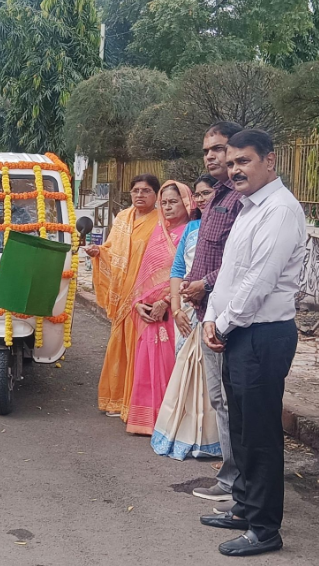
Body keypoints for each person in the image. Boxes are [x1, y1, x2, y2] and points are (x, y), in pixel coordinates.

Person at [200, 130, 306, 557]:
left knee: (260, 434)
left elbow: (259, 281)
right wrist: (212, 317)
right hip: (237, 331)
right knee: (241, 427)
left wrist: (222, 324)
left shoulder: (280, 211)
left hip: (262, 334)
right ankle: (244, 506)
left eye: (244, 161)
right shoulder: (248, 208)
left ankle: (265, 529)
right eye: (231, 163)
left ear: (270, 161)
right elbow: (229, 272)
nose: (235, 169)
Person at [180, 122, 244, 503]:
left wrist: (205, 283)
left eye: (218, 149)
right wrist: (192, 284)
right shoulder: (217, 196)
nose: (211, 157)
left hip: (230, 314)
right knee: (220, 399)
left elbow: (241, 261)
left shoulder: (240, 198)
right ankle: (232, 475)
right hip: (207, 311)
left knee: (229, 400)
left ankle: (236, 480)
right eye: (207, 151)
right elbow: (205, 249)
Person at [152, 174, 222, 460]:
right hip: (188, 311)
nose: (203, 199)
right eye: (199, 194)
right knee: (186, 373)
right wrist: (178, 309)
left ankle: (214, 439)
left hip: (215, 307)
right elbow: (178, 269)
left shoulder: (230, 228)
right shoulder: (192, 228)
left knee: (210, 379)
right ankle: (183, 435)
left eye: (207, 193)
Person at [86, 174, 160, 420]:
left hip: (144, 295)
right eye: (136, 190)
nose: (140, 195)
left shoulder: (161, 221)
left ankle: (135, 404)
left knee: (141, 349)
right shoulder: (121, 219)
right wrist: (98, 252)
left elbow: (162, 259)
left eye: (146, 190)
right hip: (122, 295)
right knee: (119, 346)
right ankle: (115, 400)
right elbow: (111, 251)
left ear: (156, 195)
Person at [125, 181, 193, 435]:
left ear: (187, 203)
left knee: (169, 366)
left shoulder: (191, 232)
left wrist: (166, 301)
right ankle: (145, 421)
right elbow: (144, 274)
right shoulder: (158, 231)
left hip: (174, 310)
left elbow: (189, 272)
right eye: (164, 202)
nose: (167, 206)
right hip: (148, 312)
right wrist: (138, 303)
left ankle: (167, 422)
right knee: (146, 364)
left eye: (173, 201)